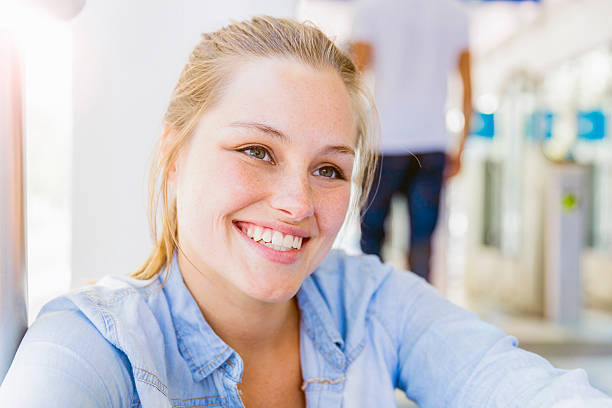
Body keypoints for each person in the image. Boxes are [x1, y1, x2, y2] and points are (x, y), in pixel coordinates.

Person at [1, 16, 611, 408]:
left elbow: (515, 383)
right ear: (174, 154)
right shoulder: (95, 347)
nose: (297, 204)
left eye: (329, 170)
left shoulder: (372, 301)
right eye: (256, 151)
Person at [351, 0, 472, 282]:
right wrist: (460, 148)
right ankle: (418, 307)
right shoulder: (456, 14)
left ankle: (370, 303)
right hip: (432, 143)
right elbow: (468, 89)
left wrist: (350, 145)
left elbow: (354, 79)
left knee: (371, 241)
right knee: (422, 245)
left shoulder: (370, 9)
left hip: (384, 143)